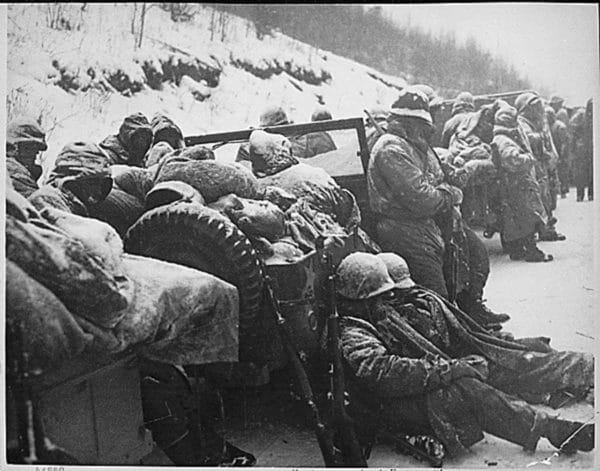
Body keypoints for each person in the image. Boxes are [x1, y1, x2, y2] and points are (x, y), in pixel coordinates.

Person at [336, 252, 594, 459]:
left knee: (490, 371)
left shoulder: (372, 316)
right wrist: (450, 369)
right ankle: (551, 429)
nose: (388, 301)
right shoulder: (352, 331)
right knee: (466, 387)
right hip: (386, 406)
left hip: (406, 391)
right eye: (381, 296)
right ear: (359, 299)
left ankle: (572, 389)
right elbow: (385, 373)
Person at [367, 88, 508, 328]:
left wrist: (462, 176)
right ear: (409, 122)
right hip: (404, 228)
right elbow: (422, 198)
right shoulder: (391, 148)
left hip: (430, 222)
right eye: (424, 122)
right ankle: (451, 341)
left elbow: (440, 176)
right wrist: (451, 195)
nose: (428, 130)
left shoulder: (416, 145)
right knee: (436, 293)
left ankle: (470, 313)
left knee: (475, 259)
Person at [492, 105, 552, 262]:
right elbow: (513, 160)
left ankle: (517, 250)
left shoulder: (503, 138)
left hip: (514, 184)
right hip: (517, 185)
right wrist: (529, 159)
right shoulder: (504, 141)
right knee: (527, 217)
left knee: (516, 219)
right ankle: (532, 251)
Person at [515, 92, 565, 241]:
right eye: (534, 107)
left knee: (546, 197)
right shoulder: (521, 122)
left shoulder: (537, 122)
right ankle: (542, 229)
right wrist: (539, 138)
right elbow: (528, 140)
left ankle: (547, 228)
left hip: (541, 165)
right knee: (538, 199)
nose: (538, 110)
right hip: (532, 166)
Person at [29, 141, 113, 217]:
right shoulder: (47, 200)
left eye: (102, 184)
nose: (98, 191)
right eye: (92, 183)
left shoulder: (81, 205)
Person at [6, 119, 48, 197]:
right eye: (31, 147)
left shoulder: (24, 177)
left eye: (37, 148)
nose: (37, 152)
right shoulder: (15, 177)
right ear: (14, 148)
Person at [570, 99, 593, 202]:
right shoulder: (580, 116)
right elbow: (574, 133)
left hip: (591, 149)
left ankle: (591, 194)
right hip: (582, 150)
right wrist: (574, 148)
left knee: (592, 173)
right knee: (581, 173)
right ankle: (580, 194)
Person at [546, 106, 571, 198]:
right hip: (553, 152)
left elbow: (564, 142)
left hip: (560, 153)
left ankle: (563, 190)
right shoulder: (548, 126)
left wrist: (562, 155)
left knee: (562, 172)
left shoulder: (560, 126)